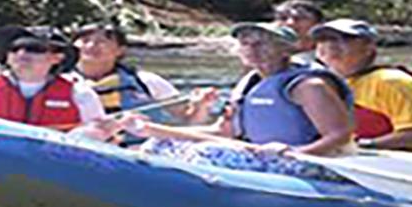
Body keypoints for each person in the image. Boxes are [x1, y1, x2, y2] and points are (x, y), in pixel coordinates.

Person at [125, 23, 355, 180]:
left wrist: (298, 152)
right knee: (157, 145)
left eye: (262, 43)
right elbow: (224, 132)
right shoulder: (248, 85)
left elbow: (339, 135)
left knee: (208, 154)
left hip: (309, 160)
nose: (252, 50)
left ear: (285, 50)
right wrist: (152, 129)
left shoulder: (309, 86)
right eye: (246, 44)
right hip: (262, 155)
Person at [0, 26, 120, 141]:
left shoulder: (80, 95)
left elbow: (99, 138)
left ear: (57, 58)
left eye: (34, 49)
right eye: (15, 49)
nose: (22, 54)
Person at [311, 19, 412, 152]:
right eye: (323, 39)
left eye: (343, 39)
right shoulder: (323, 83)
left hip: (403, 159)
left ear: (368, 48)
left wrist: (366, 145)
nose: (330, 45)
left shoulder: (392, 82)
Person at [67, 22, 217, 124]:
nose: (92, 46)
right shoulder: (57, 82)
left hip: (138, 152)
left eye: (102, 41)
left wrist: (201, 105)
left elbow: (189, 120)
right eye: (85, 40)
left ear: (120, 50)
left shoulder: (147, 82)